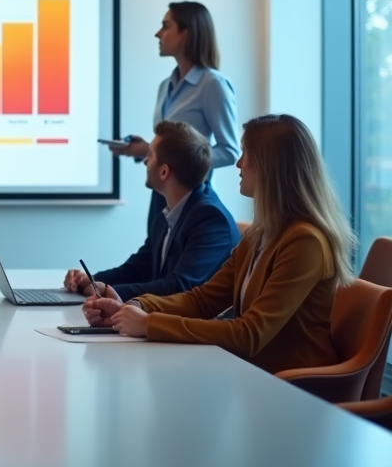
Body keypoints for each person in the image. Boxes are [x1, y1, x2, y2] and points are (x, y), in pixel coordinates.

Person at [83, 114, 357, 375]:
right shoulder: (260, 235)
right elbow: (202, 300)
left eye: (245, 154)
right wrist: (136, 307)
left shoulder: (305, 242)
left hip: (292, 389)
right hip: (252, 375)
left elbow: (249, 334)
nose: (238, 164)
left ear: (268, 166)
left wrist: (149, 324)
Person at [64, 120, 239, 302]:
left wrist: (110, 291)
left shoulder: (210, 219)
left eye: (150, 155)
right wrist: (91, 280)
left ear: (164, 172)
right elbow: (139, 268)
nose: (145, 161)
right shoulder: (167, 214)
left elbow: (179, 286)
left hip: (193, 326)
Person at [107, 1, 239, 217]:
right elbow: (174, 146)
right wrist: (147, 149)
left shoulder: (212, 84)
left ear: (186, 33)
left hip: (191, 198)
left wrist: (177, 162)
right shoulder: (165, 86)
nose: (158, 34)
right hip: (161, 195)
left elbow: (230, 152)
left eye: (166, 26)